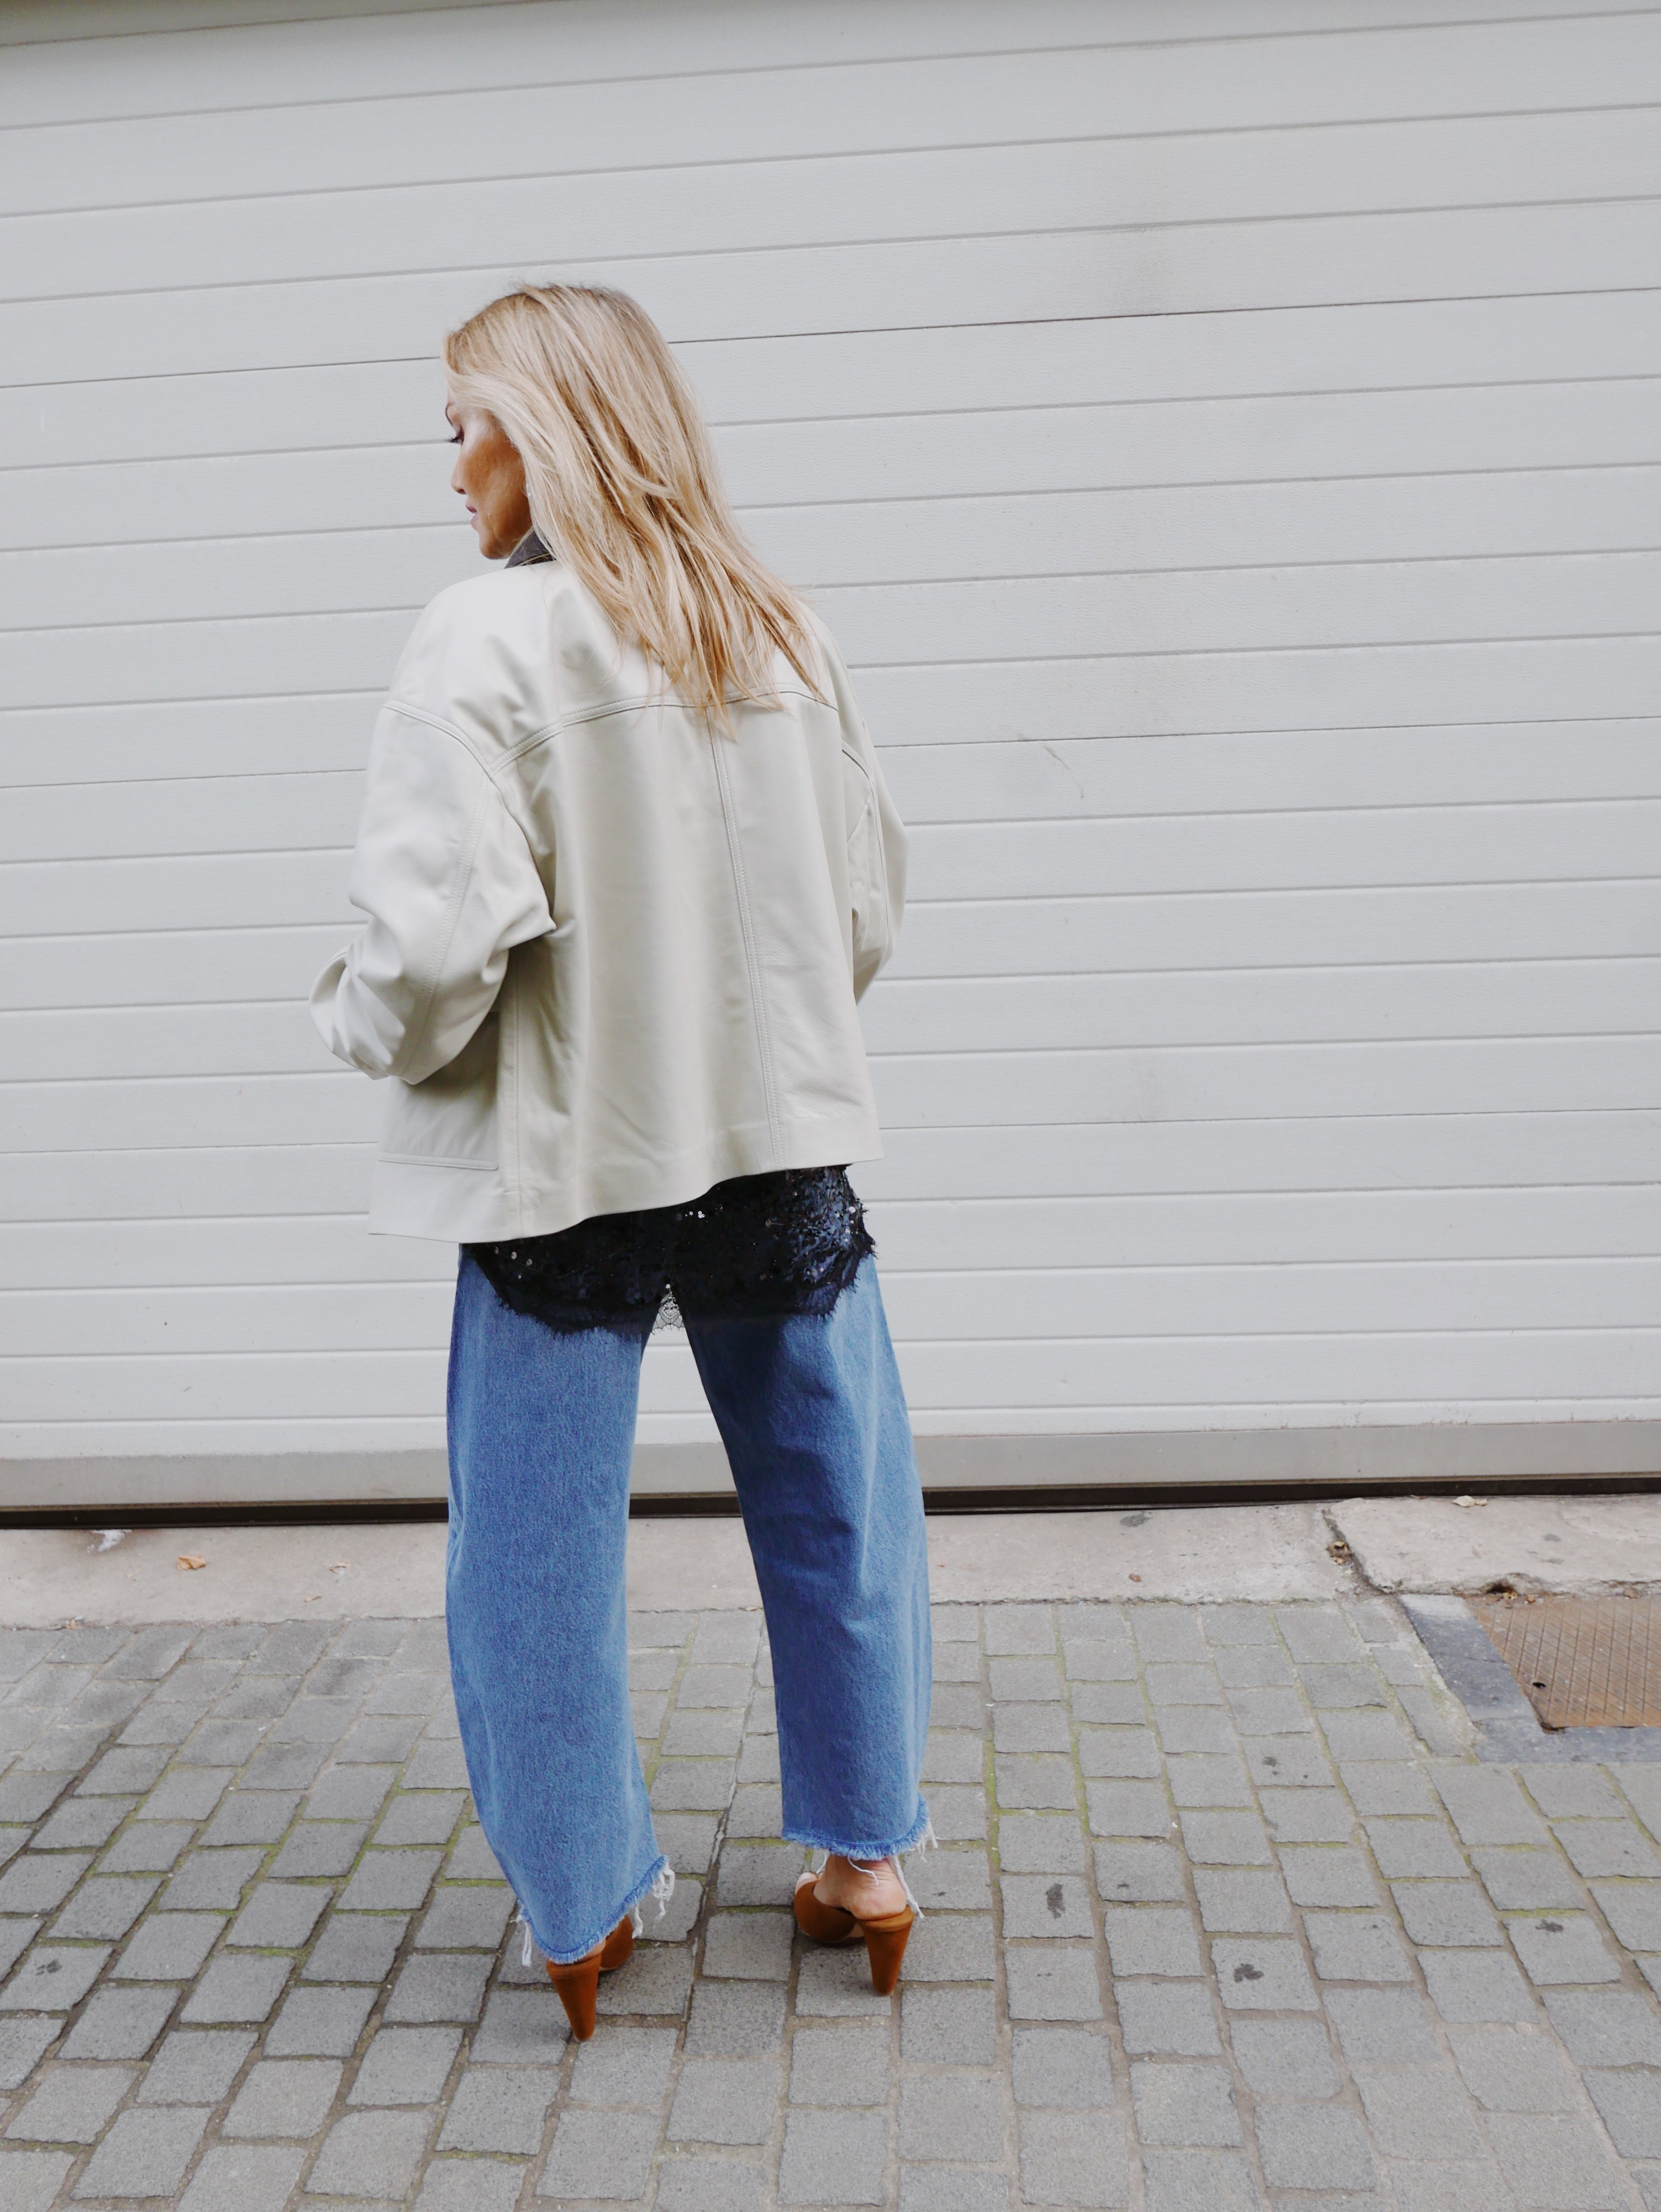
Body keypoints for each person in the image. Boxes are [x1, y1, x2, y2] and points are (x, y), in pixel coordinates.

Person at [311, 284, 931, 2038]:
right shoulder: (779, 631)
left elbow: (431, 954)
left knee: (535, 1551)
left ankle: (583, 1908)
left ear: (543, 430)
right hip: (774, 1142)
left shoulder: (482, 641)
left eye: (464, 429)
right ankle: (867, 1864)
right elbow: (866, 906)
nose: (451, 471)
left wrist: (356, 1023)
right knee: (837, 1502)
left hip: (571, 1154)